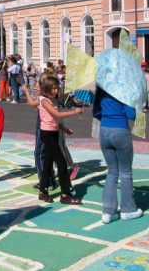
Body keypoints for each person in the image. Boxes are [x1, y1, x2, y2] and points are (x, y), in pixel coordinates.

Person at [24, 75, 82, 204]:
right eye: (53, 88)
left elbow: (54, 120)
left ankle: (43, 192)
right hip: (47, 134)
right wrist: (74, 111)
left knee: (48, 164)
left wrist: (64, 129)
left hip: (53, 133)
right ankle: (66, 194)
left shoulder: (53, 101)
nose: (56, 91)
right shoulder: (44, 101)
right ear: (47, 89)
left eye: (57, 88)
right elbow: (57, 114)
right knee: (61, 163)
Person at [93, 87, 142, 223]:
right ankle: (128, 209)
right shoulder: (122, 86)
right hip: (120, 128)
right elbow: (132, 113)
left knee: (112, 171)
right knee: (125, 171)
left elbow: (96, 111)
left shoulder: (102, 87)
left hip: (104, 129)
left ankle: (108, 212)